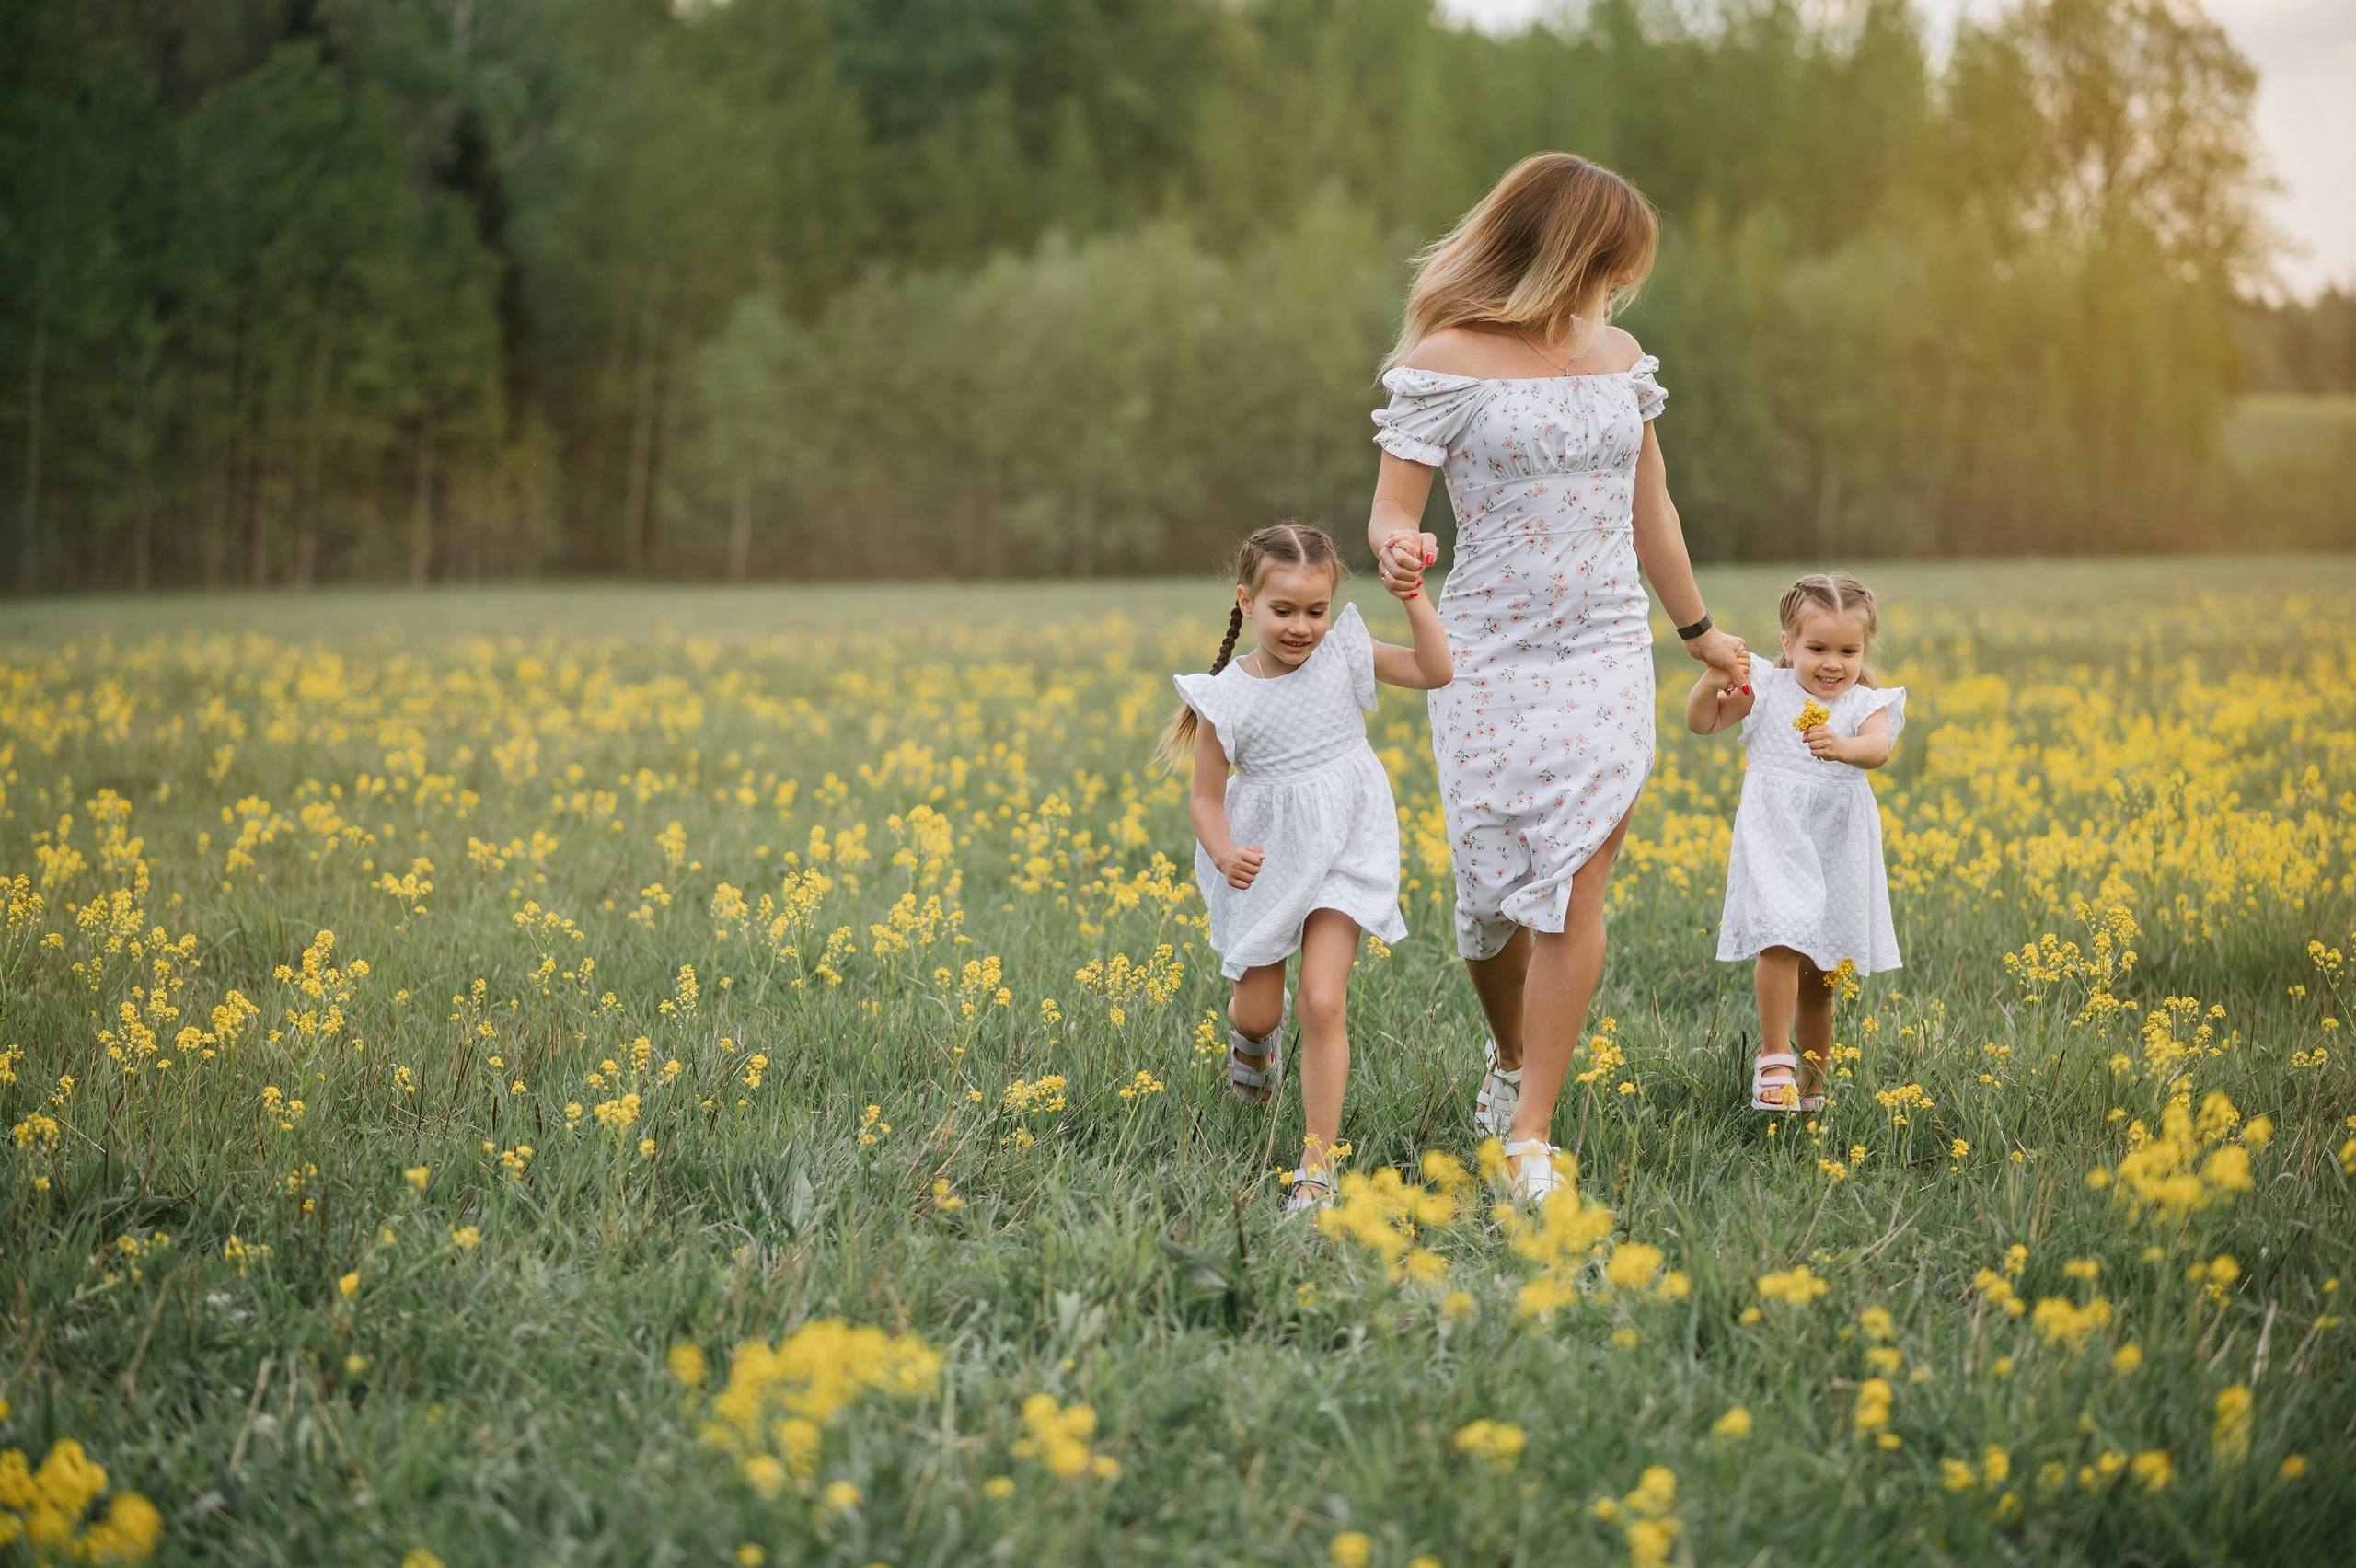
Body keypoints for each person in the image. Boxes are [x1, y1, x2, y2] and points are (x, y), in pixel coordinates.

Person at [1366, 152, 1749, 1200]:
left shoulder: (1621, 356)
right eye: (1607, 264)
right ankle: (1506, 1060)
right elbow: (1393, 511)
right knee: (1492, 898)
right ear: (1560, 250)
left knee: (1577, 874)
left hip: (1604, 646)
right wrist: (1399, 550)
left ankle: (1529, 1135)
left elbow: (1650, 509)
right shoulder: (1448, 359)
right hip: (1489, 650)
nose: (1616, 289)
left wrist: (1697, 629)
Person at [1158, 523, 1453, 1212]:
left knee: (1324, 1000)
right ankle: (1253, 1043)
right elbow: (1205, 797)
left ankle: (1316, 1168)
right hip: (1265, 859)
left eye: (1315, 611)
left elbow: (1436, 670)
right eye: (1282, 611)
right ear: (1247, 601)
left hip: (1347, 842)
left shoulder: (1342, 652)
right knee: (1259, 1012)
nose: (1301, 627)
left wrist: (1413, 597)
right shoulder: (1226, 695)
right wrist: (1225, 850)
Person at [1686, 572, 1905, 1112]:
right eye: (1818, 648)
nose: (1834, 663)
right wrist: (1712, 680)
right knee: (1781, 937)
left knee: (1823, 976)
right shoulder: (1767, 689)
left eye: (1849, 650)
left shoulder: (1863, 703)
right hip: (1778, 839)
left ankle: (1811, 1090)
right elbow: (1703, 721)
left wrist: (1842, 745)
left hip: (1837, 846)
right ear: (1788, 645)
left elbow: (1878, 749)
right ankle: (1774, 1056)